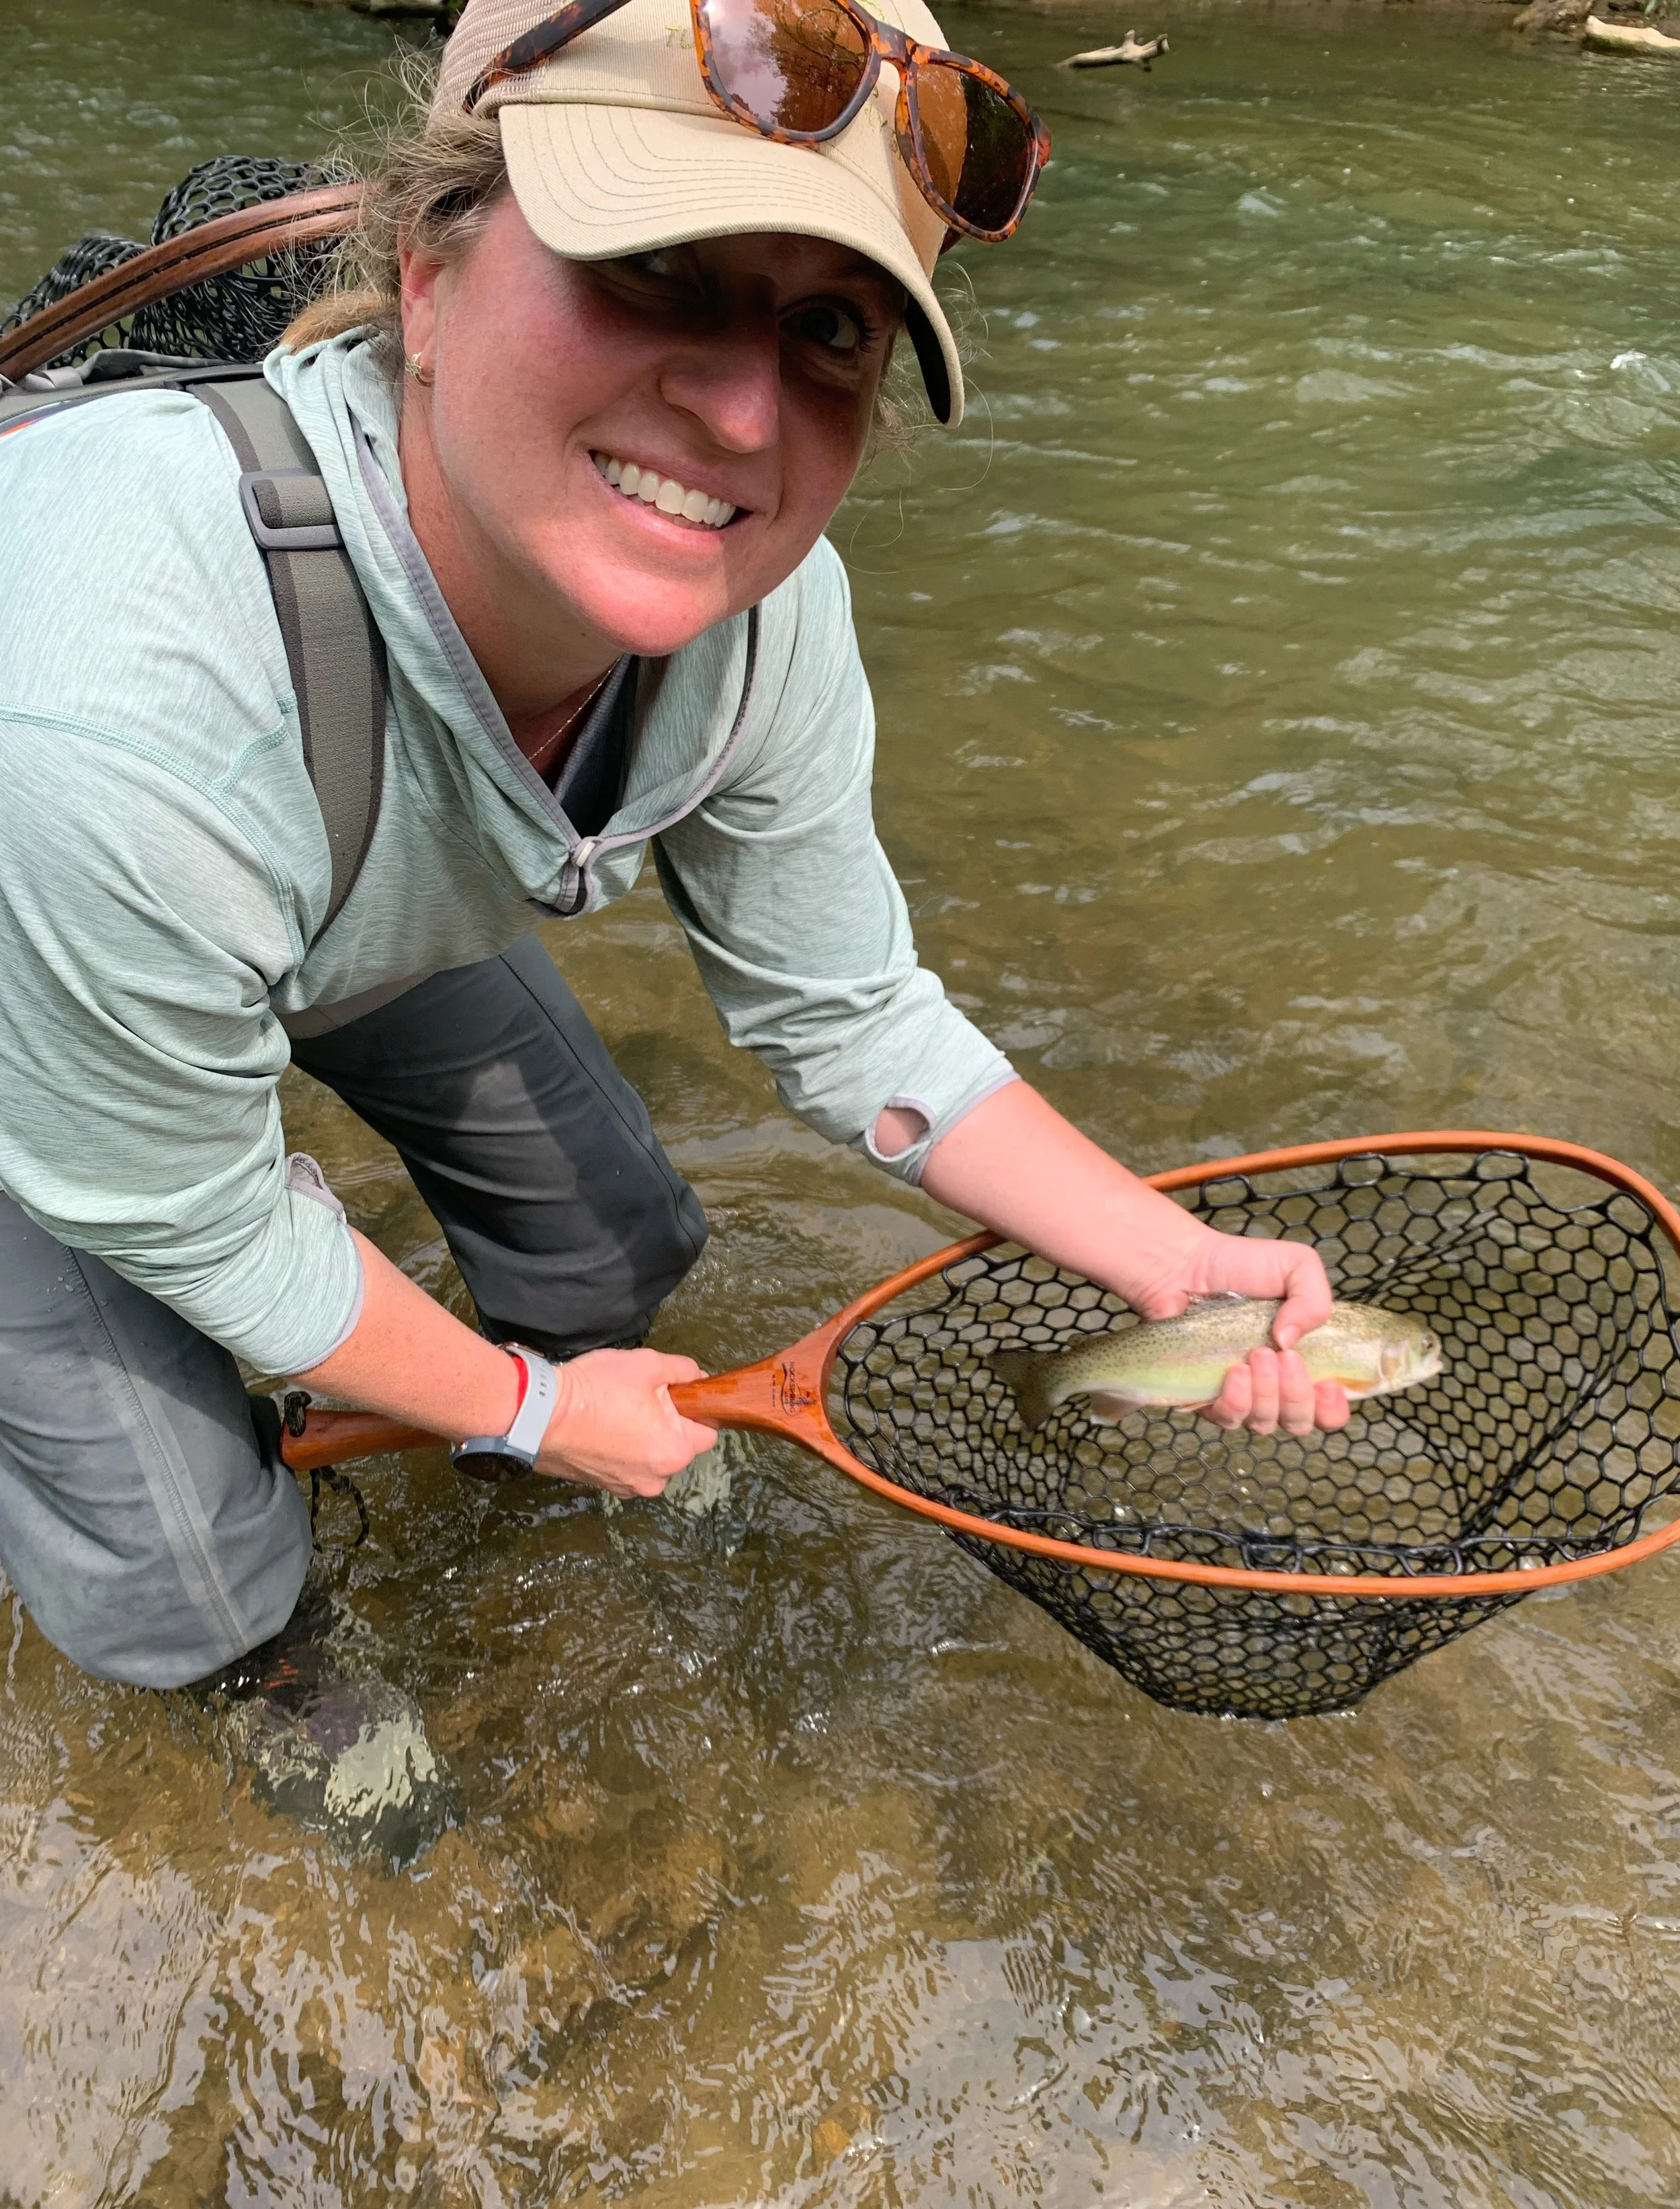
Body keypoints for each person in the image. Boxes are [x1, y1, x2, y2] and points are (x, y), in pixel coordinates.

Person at [0, 0, 1351, 1714]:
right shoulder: (119, 707)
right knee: (176, 1535)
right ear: (426, 274)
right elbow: (195, 1223)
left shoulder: (762, 621)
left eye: (829, 328)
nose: (736, 413)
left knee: (606, 1232)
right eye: (654, 269)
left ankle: (540, 1442)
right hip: (49, 888)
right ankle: (260, 1677)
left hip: (273, 862)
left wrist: (1172, 1260)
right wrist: (529, 1409)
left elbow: (851, 1015)